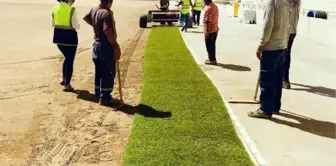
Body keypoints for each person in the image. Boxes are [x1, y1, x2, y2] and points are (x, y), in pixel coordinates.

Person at [248, 0, 298, 118]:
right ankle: (275, 106)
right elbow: (289, 26)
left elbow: (268, 24)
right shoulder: (287, 3)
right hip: (282, 46)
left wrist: (262, 44)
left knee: (267, 78)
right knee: (277, 79)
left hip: (272, 46)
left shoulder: (273, 2)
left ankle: (265, 109)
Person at [83, 0, 121, 106]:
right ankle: (105, 98)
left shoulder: (94, 9)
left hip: (97, 45)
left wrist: (96, 26)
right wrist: (115, 46)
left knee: (99, 71)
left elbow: (86, 18)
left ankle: (98, 94)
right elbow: (108, 31)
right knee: (108, 72)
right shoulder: (106, 13)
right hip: (105, 46)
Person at [52, 0, 80, 92]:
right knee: (70, 60)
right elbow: (76, 25)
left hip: (58, 39)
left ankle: (64, 79)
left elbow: (53, 24)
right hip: (70, 39)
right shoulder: (71, 10)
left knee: (67, 58)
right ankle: (67, 84)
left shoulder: (54, 9)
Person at [283, 0, 301, 89]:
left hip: (285, 29)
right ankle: (284, 79)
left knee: (283, 54)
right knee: (286, 53)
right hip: (292, 29)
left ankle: (284, 79)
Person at [203, 0, 219, 65]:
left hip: (210, 31)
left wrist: (206, 31)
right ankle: (212, 58)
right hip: (215, 29)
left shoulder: (208, 8)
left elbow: (207, 21)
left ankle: (212, 60)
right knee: (212, 45)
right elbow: (216, 17)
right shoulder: (215, 6)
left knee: (209, 46)